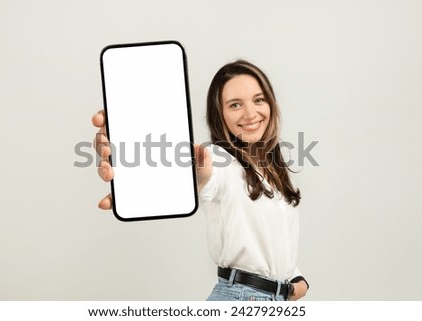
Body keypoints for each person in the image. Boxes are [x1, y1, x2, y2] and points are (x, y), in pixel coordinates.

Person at [92, 59, 309, 301]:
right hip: (242, 299)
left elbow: (275, 245)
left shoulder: (275, 172)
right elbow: (201, 172)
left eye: (258, 100)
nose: (251, 113)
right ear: (220, 115)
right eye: (235, 104)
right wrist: (138, 156)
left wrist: (297, 282)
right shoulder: (220, 160)